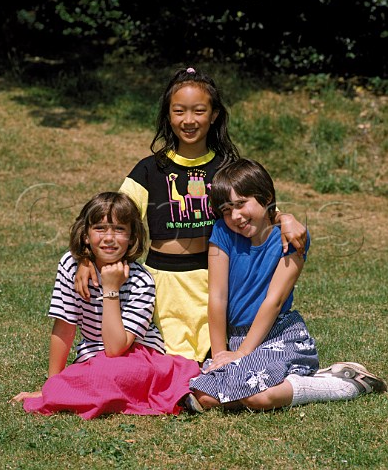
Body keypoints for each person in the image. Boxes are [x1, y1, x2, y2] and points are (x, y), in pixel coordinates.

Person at [75, 67, 308, 363]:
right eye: (179, 111)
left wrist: (285, 218)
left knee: (210, 363)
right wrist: (85, 258)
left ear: (213, 115)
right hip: (161, 282)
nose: (188, 120)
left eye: (199, 111)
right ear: (168, 116)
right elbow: (111, 218)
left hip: (214, 280)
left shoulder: (227, 168)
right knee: (165, 362)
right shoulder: (149, 169)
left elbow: (256, 212)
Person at [189, 158, 387, 411]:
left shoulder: (291, 238)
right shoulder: (222, 232)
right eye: (227, 210)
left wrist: (240, 355)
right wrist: (220, 355)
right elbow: (217, 297)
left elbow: (275, 301)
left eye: (241, 204)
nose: (235, 216)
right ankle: (298, 379)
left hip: (281, 335)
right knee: (205, 396)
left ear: (266, 196)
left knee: (257, 397)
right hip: (238, 338)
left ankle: (345, 383)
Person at [10, 192, 201, 419]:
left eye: (119, 230)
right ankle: (72, 391)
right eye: (100, 228)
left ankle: (168, 389)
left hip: (135, 356)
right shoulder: (70, 266)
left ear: (132, 237)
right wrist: (50, 386)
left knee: (113, 372)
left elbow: (115, 348)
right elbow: (64, 328)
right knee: (94, 372)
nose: (109, 237)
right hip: (93, 358)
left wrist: (111, 289)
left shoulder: (141, 281)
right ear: (85, 235)